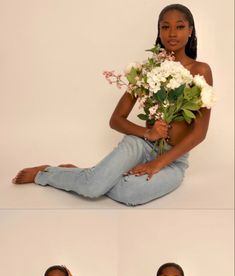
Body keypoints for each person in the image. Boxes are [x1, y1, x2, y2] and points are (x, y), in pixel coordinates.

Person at [13, 4, 212, 206]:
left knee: (129, 194)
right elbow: (116, 120)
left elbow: (199, 133)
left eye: (179, 27)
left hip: (173, 161)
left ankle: (89, 175)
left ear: (190, 30)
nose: (172, 33)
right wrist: (148, 134)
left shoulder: (201, 71)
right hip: (141, 145)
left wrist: (157, 164)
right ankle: (46, 173)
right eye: (165, 27)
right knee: (92, 188)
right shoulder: (148, 70)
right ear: (158, 31)